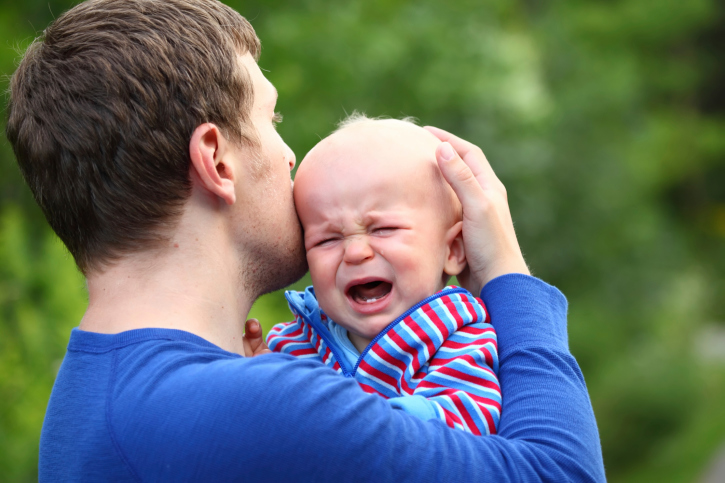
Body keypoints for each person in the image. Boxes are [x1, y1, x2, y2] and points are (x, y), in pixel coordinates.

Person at [5, 0, 606, 481]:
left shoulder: (87, 393)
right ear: (216, 159)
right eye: (272, 121)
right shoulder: (253, 408)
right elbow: (562, 472)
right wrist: (506, 275)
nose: (288, 152)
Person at [268, 116, 502, 436]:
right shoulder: (296, 341)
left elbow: (470, 419)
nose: (355, 252)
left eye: (383, 229)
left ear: (453, 250)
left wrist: (361, 423)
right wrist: (251, 372)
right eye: (327, 239)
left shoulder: (459, 338)